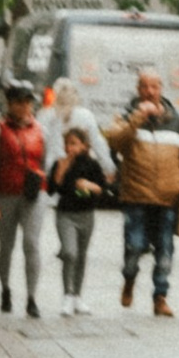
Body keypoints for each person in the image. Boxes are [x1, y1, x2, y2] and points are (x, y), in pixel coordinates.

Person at [110, 70, 179, 316]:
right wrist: (138, 118)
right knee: (134, 246)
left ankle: (160, 297)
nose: (150, 91)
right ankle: (129, 279)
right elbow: (116, 141)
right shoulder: (127, 116)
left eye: (154, 87)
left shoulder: (176, 120)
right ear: (138, 90)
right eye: (145, 87)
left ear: (161, 89)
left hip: (167, 197)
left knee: (165, 250)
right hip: (136, 196)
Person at [0, 82, 50, 317]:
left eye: (27, 102)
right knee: (6, 246)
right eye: (19, 102)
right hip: (6, 193)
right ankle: (5, 288)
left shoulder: (41, 130)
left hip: (34, 193)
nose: (24, 107)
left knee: (31, 243)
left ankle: (32, 297)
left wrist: (44, 180)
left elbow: (46, 162)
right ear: (10, 104)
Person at [49, 119, 117, 316]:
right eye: (68, 143)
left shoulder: (92, 165)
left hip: (86, 214)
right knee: (69, 253)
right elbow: (53, 189)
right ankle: (67, 295)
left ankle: (77, 296)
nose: (70, 147)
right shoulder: (60, 163)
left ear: (84, 146)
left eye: (74, 143)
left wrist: (90, 186)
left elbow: (104, 190)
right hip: (65, 214)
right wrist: (63, 167)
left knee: (81, 256)